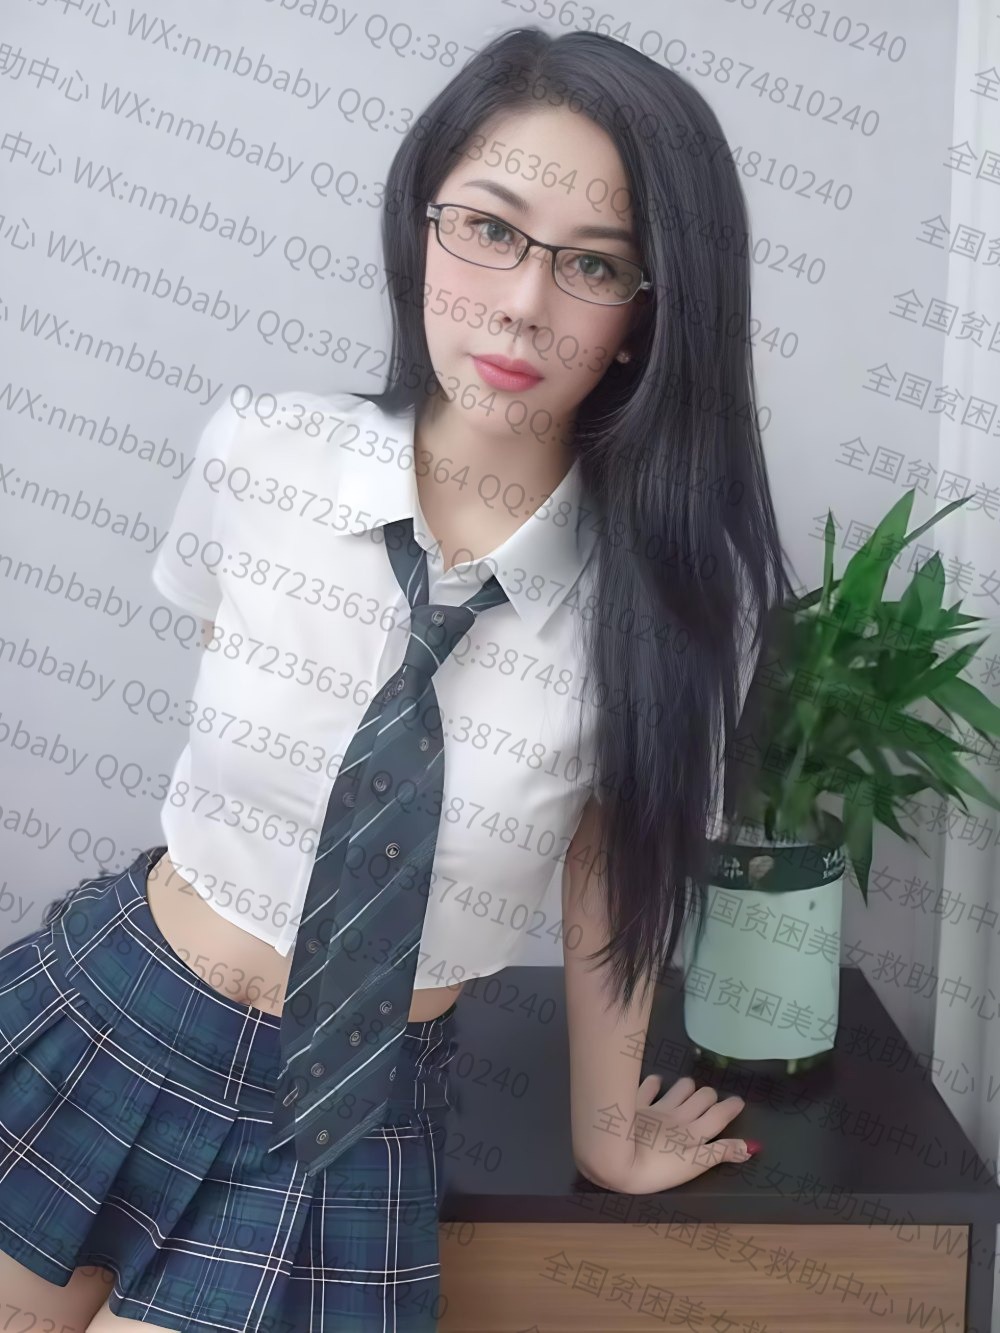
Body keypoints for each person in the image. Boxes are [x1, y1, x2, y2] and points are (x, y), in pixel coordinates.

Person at [0, 24, 792, 1333]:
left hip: (339, 1119)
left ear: (648, 317)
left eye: (594, 264)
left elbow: (609, 876)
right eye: (489, 227)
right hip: (109, 1009)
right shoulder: (263, 454)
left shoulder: (667, 614)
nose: (523, 303)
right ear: (422, 223)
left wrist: (609, 1134)